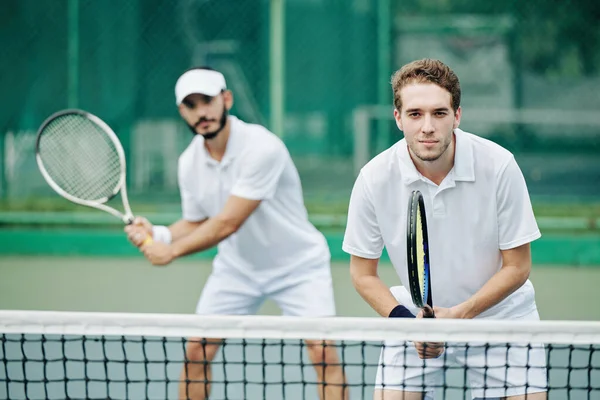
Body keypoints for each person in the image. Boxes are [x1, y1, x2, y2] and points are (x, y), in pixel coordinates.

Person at [125, 66, 347, 400]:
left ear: (226, 99)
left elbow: (228, 222)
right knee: (197, 352)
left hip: (298, 266)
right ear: (182, 112)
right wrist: (160, 234)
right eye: (191, 105)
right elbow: (198, 219)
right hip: (237, 270)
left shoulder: (262, 147)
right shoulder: (189, 163)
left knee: (323, 352)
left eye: (208, 101)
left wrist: (170, 252)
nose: (202, 112)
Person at [342, 59, 547, 399]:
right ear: (398, 118)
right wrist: (408, 324)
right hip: (415, 320)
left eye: (439, 113)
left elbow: (518, 266)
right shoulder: (374, 178)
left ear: (457, 116)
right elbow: (363, 273)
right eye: (415, 114)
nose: (427, 127)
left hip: (501, 317)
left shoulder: (498, 165)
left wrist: (459, 315)